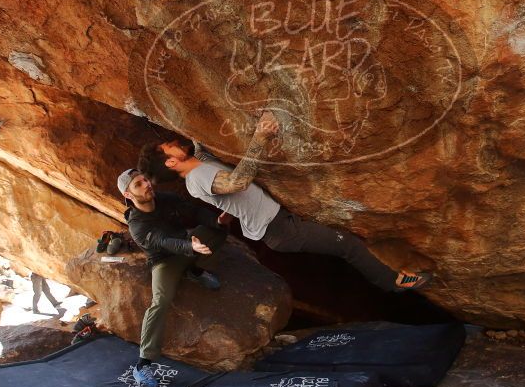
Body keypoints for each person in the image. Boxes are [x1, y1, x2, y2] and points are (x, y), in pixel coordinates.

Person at [137, 111, 433, 293]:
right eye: (168, 146)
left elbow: (200, 147)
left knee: (346, 243)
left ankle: (392, 279)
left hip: (279, 224)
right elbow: (238, 181)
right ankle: (393, 283)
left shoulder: (199, 165)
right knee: (348, 245)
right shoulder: (196, 180)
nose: (173, 142)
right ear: (173, 162)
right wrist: (260, 138)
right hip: (279, 231)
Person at [117, 168, 226, 387]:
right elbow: (164, 242)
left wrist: (217, 219)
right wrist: (190, 246)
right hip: (165, 261)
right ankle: (143, 364)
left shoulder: (164, 198)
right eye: (138, 184)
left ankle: (192, 270)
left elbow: (194, 211)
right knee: (161, 301)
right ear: (128, 195)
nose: (146, 184)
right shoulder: (137, 225)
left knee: (219, 231)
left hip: (187, 244)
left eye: (145, 179)